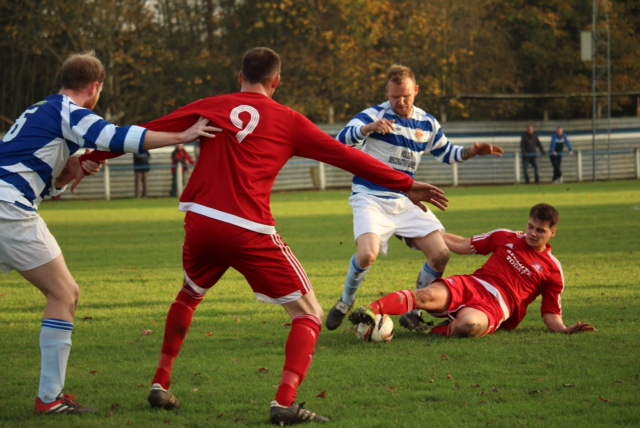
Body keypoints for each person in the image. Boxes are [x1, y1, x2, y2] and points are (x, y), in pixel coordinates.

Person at [108, 47, 448, 426]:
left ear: (240, 77)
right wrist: (406, 183)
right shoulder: (288, 120)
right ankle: (284, 403)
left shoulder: (212, 104)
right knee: (310, 314)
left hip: (200, 222)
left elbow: (145, 130)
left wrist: (88, 159)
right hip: (248, 230)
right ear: (277, 82)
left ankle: (160, 382)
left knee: (189, 295)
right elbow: (345, 156)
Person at [0, 51, 218, 416]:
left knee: (62, 292)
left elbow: (33, 167)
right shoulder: (70, 111)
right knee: (64, 293)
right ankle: (50, 399)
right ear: (95, 87)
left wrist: (72, 170)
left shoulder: (40, 109)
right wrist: (184, 134)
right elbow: (115, 137)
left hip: (8, 201)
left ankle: (50, 398)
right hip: (9, 210)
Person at [325, 64, 504, 332]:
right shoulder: (372, 115)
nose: (400, 101)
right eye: (395, 96)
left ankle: (414, 310)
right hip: (371, 197)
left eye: (406, 95)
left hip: (408, 199)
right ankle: (345, 301)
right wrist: (367, 129)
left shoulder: (428, 123)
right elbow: (339, 142)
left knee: (441, 254)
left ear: (416, 91)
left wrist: (472, 151)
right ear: (387, 92)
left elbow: (448, 153)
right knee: (367, 254)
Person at [349, 203, 596, 338]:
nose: (531, 233)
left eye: (539, 231)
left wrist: (564, 330)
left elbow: (550, 313)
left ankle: (431, 330)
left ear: (553, 232)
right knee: (424, 296)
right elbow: (461, 245)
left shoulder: (553, 270)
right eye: (530, 226)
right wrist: (419, 229)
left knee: (469, 327)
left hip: (496, 307)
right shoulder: (506, 237)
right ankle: (371, 310)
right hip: (473, 285)